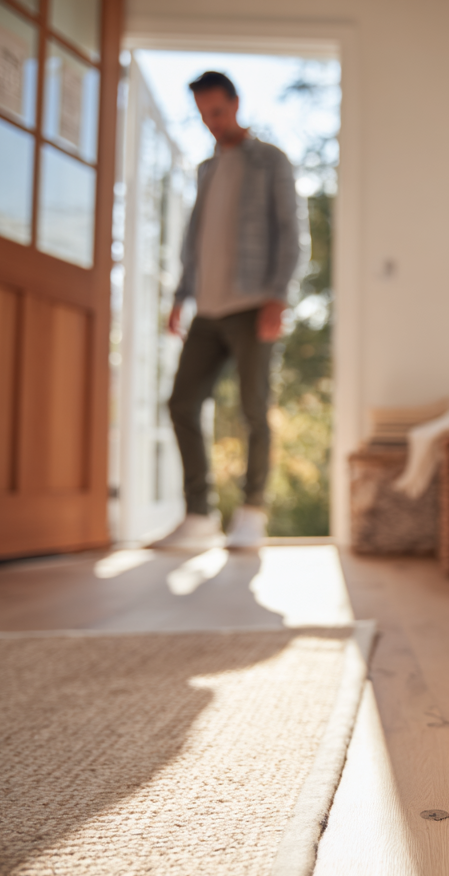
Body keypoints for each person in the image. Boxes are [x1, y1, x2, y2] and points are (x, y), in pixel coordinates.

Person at [152, 71, 300, 551]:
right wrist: (180, 295)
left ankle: (252, 513)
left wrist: (278, 296)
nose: (211, 123)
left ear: (235, 104)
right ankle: (198, 516)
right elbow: (196, 241)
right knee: (181, 404)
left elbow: (291, 232)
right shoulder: (206, 168)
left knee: (255, 408)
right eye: (202, 115)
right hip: (207, 309)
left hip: (253, 303)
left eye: (217, 111)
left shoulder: (269, 162)